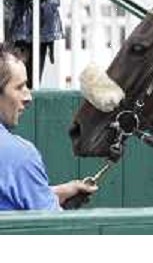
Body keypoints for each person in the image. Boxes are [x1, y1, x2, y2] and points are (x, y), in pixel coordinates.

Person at [0, 44, 97, 211]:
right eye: (19, 87)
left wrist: (54, 193)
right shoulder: (19, 156)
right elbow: (52, 227)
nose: (28, 97)